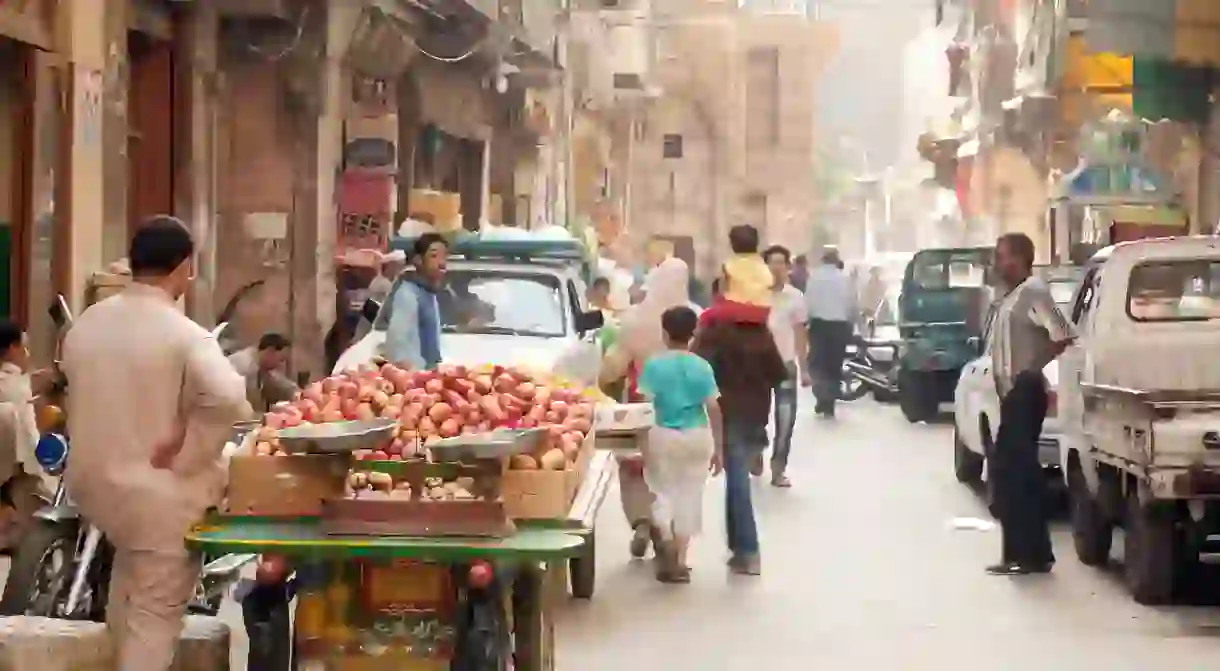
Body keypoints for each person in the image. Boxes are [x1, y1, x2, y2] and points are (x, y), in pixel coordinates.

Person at [62, 216, 252, 669]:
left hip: (94, 491)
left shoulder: (86, 324)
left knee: (128, 595)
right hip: (157, 496)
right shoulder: (184, 334)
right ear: (184, 267)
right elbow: (230, 400)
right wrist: (188, 449)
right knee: (152, 620)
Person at [986, 232, 1074, 576]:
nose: (998, 262)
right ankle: (1023, 553)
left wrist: (1031, 369)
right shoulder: (1010, 297)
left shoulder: (1033, 292)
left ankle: (1029, 554)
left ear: (1020, 258)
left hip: (1024, 392)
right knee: (1010, 473)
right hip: (1011, 395)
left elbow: (1061, 333)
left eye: (1003, 256)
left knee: (1018, 474)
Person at [600, 256, 691, 559]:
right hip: (683, 413)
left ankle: (641, 520)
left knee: (634, 468)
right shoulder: (694, 321)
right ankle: (669, 536)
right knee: (675, 477)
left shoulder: (634, 320)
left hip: (641, 407)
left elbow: (611, 369)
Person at [693, 304, 787, 576]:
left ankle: (748, 549)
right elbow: (779, 375)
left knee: (737, 481)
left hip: (728, 413)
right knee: (737, 478)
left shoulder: (715, 333)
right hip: (755, 414)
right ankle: (738, 550)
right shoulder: (761, 334)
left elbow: (698, 366)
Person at [638, 306, 722, 583]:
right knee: (689, 495)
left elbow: (643, 406)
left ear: (664, 333)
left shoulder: (654, 365)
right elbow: (713, 407)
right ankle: (681, 560)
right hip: (697, 435)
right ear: (693, 333)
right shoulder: (702, 367)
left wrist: (640, 441)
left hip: (663, 434)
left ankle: (663, 539)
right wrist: (719, 448)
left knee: (662, 492)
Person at [760, 245, 810, 487]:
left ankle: (778, 468)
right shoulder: (755, 295)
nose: (777, 268)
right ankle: (754, 451)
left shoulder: (796, 297)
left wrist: (805, 368)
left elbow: (800, 334)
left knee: (786, 418)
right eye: (772, 262)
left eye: (781, 262)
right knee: (754, 417)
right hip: (757, 366)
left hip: (786, 364)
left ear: (788, 267)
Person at [0, 321, 50, 552]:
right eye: (25, 347)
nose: (28, 354)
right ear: (12, 349)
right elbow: (30, 443)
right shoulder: (13, 387)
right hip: (19, 475)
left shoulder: (12, 382)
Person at [803, 247, 856, 418]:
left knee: (818, 363)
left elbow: (808, 302)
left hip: (819, 326)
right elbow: (851, 304)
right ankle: (830, 400)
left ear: (823, 260)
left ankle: (821, 396)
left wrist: (807, 322)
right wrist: (852, 323)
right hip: (839, 326)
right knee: (834, 364)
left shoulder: (814, 277)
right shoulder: (845, 278)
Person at [383, 233, 449, 370]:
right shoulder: (408, 295)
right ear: (418, 260)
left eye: (444, 256)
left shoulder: (428, 294)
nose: (442, 262)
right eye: (434, 256)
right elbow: (398, 343)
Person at [699, 225, 773, 327]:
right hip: (761, 316)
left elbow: (720, 294)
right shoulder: (765, 266)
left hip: (734, 317)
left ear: (732, 244)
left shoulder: (727, 266)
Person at [228, 333, 298, 414]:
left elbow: (275, 381)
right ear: (270, 350)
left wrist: (295, 392)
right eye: (281, 359)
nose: (280, 364)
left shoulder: (259, 364)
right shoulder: (244, 365)